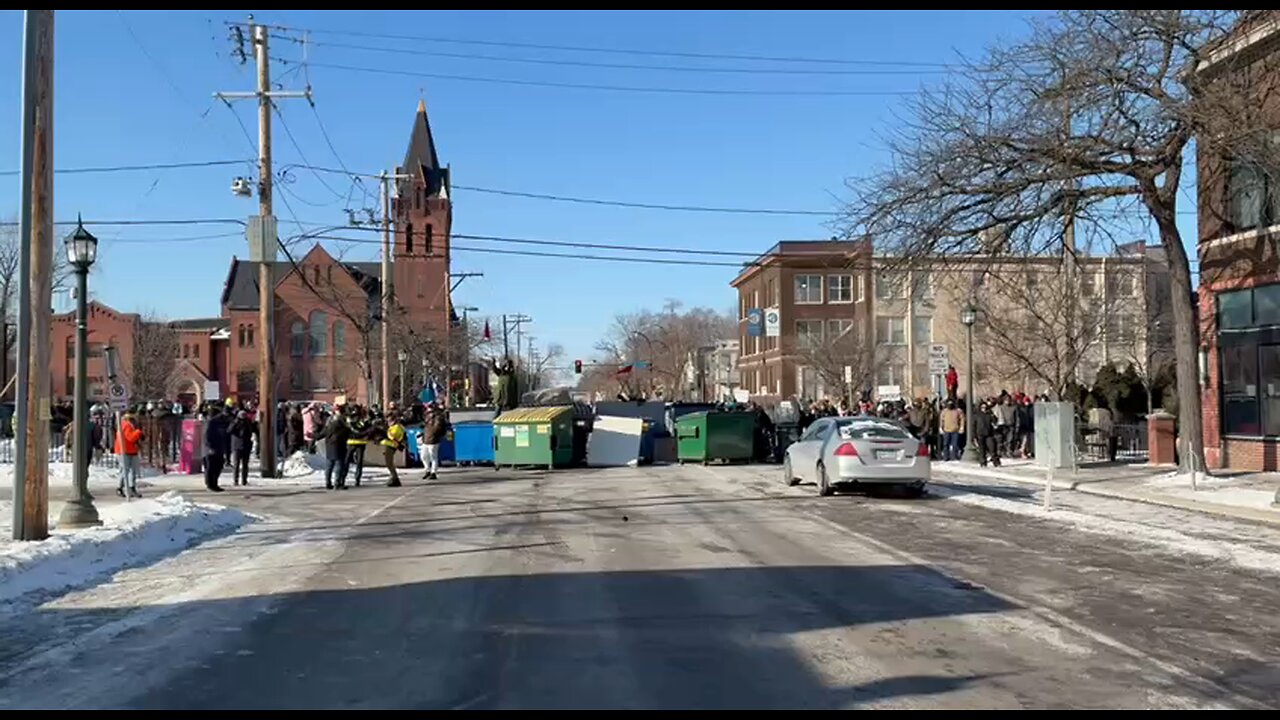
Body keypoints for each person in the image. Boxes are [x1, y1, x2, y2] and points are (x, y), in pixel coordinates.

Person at [313, 410, 352, 490]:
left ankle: (328, 482)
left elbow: (320, 435)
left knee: (329, 466)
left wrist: (313, 435)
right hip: (339, 448)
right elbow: (349, 434)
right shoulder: (343, 428)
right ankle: (337, 483)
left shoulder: (328, 427)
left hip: (329, 448)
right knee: (339, 466)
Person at [114, 409, 145, 498]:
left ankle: (129, 488)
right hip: (126, 450)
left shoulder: (123, 424)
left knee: (129, 470)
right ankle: (122, 488)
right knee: (126, 470)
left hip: (128, 450)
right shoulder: (127, 425)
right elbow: (130, 438)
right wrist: (138, 432)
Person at [203, 406, 232, 492]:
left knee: (218, 466)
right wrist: (210, 446)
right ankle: (210, 484)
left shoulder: (221, 422)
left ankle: (215, 483)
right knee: (211, 467)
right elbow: (207, 436)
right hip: (211, 448)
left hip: (220, 447)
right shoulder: (211, 423)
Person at [229, 410, 257, 487]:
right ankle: (238, 480)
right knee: (239, 464)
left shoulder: (247, 422)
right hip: (239, 445)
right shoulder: (236, 422)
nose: (243, 417)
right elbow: (229, 430)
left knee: (241, 464)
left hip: (242, 445)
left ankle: (241, 480)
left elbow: (252, 430)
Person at [421, 405, 449, 480]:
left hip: (433, 440)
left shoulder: (437, 417)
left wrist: (432, 433)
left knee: (433, 456)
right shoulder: (427, 417)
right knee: (423, 456)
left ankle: (433, 472)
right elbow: (425, 426)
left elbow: (437, 427)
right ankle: (427, 470)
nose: (428, 409)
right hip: (426, 439)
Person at [345, 405, 370, 488]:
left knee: (351, 461)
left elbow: (363, 429)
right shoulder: (359, 420)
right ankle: (354, 478)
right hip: (357, 442)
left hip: (355, 442)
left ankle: (351, 478)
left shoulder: (354, 420)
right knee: (355, 461)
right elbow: (365, 430)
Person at [382, 412, 407, 487]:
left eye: (389, 420)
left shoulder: (396, 427)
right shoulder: (396, 426)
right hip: (390, 445)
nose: (388, 422)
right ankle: (395, 479)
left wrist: (383, 433)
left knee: (389, 463)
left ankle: (394, 478)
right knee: (389, 463)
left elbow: (392, 437)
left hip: (392, 445)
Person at [973, 401, 1001, 467]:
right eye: (982, 407)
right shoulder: (977, 415)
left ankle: (996, 462)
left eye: (985, 407)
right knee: (982, 450)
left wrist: (992, 415)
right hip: (980, 434)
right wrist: (974, 436)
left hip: (989, 434)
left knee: (992, 448)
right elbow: (973, 426)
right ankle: (983, 462)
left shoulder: (989, 414)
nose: (984, 409)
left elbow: (995, 421)